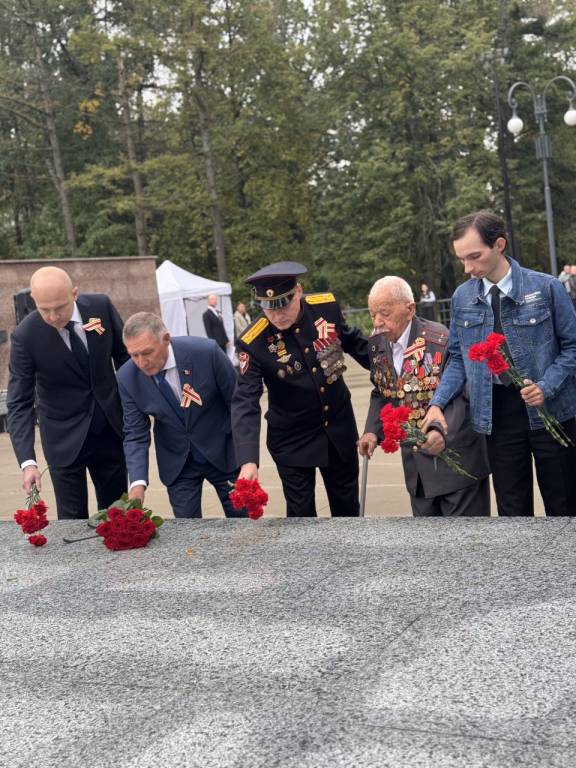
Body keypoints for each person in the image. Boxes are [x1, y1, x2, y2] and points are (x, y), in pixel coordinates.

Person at [423, 210, 576, 517]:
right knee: (512, 513)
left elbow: (572, 347)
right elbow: (457, 359)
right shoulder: (462, 298)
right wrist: (437, 403)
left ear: (500, 244)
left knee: (565, 509)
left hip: (553, 413)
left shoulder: (546, 288)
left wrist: (545, 387)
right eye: (461, 259)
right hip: (496, 417)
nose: (468, 268)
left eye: (475, 257)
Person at [231, 261, 370, 517]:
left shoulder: (325, 307)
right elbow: (245, 401)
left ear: (298, 292)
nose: (277, 315)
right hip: (291, 438)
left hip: (338, 427)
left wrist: (388, 369)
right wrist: (248, 460)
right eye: (268, 308)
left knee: (347, 507)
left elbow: (353, 342)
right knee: (301, 514)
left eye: (283, 304)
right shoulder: (253, 341)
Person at [358, 276, 490, 516]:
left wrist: (441, 429)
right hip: (417, 472)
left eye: (385, 313)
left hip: (456, 464)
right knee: (427, 550)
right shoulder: (377, 344)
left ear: (410, 309)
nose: (377, 322)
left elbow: (464, 394)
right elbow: (381, 391)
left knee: (468, 546)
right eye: (372, 314)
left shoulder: (438, 340)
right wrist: (371, 430)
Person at [7, 266, 128, 519]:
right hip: (63, 440)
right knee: (71, 520)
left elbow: (125, 361)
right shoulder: (25, 336)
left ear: (75, 293)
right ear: (33, 300)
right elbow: (19, 402)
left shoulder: (101, 308)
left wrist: (136, 414)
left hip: (110, 430)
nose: (53, 316)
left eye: (60, 307)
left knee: (117, 515)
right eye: (44, 309)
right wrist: (28, 462)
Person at [117, 312, 245, 518]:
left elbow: (238, 405)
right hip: (178, 462)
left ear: (166, 339)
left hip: (224, 451)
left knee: (244, 522)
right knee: (186, 535)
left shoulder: (207, 353)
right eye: (134, 355)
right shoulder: (127, 377)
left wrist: (247, 458)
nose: (141, 362)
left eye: (147, 352)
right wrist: (137, 484)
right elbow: (135, 432)